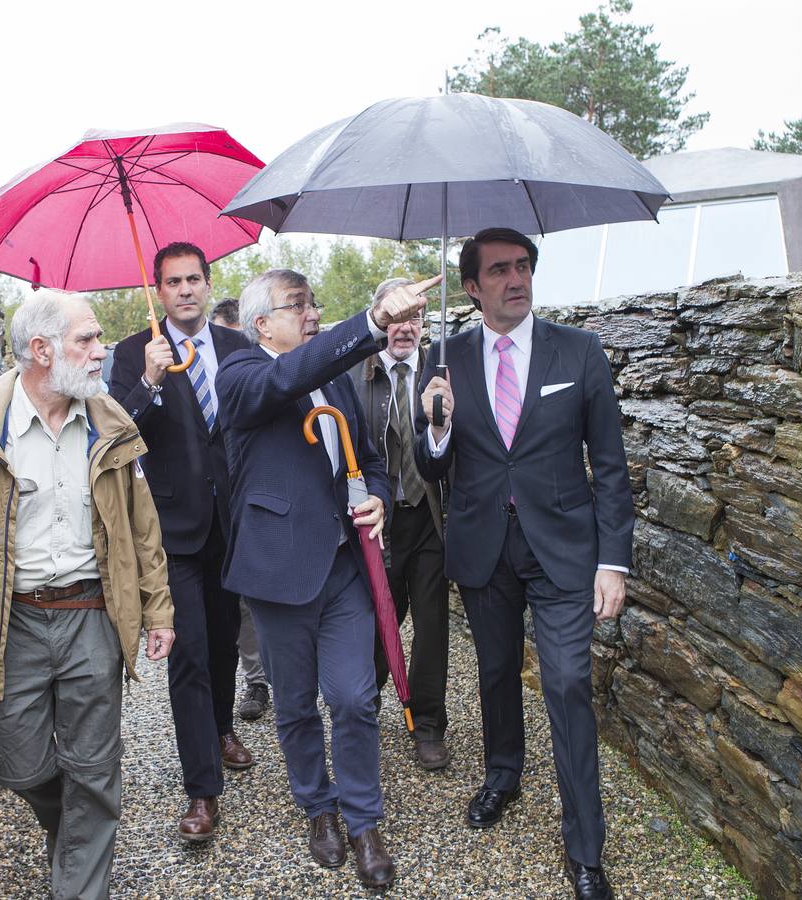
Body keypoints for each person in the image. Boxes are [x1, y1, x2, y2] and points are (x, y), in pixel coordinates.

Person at [0, 289, 175, 900]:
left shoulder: (111, 422)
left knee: (94, 769)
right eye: (86, 339)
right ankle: (77, 846)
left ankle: (80, 886)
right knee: (20, 765)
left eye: (96, 338)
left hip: (92, 616)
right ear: (41, 350)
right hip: (11, 623)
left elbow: (143, 526)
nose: (100, 350)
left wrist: (158, 605)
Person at [414, 228, 633, 900]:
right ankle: (502, 773)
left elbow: (612, 466)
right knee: (497, 670)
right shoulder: (443, 357)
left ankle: (585, 847)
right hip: (483, 543)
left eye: (524, 266)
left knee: (566, 682)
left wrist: (613, 562)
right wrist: (437, 424)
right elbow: (431, 465)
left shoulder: (580, 350)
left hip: (565, 549)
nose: (516, 279)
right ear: (472, 286)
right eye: (500, 270)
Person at [217, 269, 438, 890]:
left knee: (350, 697)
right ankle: (317, 807)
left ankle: (365, 820)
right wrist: (369, 324)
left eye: (315, 304)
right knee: (294, 706)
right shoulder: (240, 376)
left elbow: (368, 460)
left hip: (345, 568)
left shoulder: (336, 380)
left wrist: (377, 499)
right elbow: (290, 376)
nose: (312, 314)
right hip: (279, 574)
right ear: (262, 323)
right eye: (299, 305)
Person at [108, 243, 256, 843]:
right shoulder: (131, 353)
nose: (187, 290)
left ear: (207, 282)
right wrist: (147, 378)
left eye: (195, 279)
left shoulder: (240, 348)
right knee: (190, 652)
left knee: (223, 639)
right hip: (175, 531)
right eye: (174, 282)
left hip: (238, 522)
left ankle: (222, 726)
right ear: (159, 291)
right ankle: (201, 790)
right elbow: (116, 431)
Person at [348, 278, 451, 770]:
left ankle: (429, 723)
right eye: (395, 318)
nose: (404, 328)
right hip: (377, 524)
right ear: (379, 320)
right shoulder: (354, 374)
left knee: (432, 625)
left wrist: (442, 422)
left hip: (428, 518)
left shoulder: (441, 372)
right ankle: (362, 709)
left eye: (414, 319)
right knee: (374, 623)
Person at [208, 296, 273, 721]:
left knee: (254, 598)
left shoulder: (258, 368)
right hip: (207, 506)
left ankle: (263, 678)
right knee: (225, 604)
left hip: (252, 497)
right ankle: (246, 681)